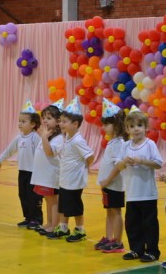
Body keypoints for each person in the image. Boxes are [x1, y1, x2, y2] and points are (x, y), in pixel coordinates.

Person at [116, 105, 163, 262]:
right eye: (132, 126)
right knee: (132, 224)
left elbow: (158, 163)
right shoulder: (125, 146)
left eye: (139, 125)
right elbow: (118, 165)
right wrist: (125, 161)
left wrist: (142, 161)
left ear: (146, 127)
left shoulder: (149, 144)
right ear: (127, 129)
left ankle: (152, 251)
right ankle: (136, 249)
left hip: (147, 193)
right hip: (132, 193)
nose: (136, 129)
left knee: (149, 224)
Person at [0, 100, 43, 228]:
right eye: (19, 121)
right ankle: (28, 217)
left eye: (23, 121)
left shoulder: (35, 138)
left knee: (34, 197)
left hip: (34, 173)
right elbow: (9, 150)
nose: (20, 124)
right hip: (22, 172)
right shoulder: (19, 138)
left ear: (33, 124)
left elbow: (42, 153)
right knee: (23, 195)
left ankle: (36, 219)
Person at [58, 96, 94, 242]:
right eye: (60, 121)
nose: (61, 124)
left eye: (64, 122)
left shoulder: (78, 140)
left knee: (75, 206)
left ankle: (80, 230)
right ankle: (63, 228)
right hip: (66, 179)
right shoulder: (68, 137)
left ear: (75, 124)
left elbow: (90, 156)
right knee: (64, 205)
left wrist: (84, 168)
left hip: (74, 181)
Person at [95, 98, 128, 253]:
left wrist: (107, 180)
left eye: (107, 124)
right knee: (109, 211)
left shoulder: (121, 143)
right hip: (107, 185)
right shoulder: (112, 141)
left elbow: (118, 166)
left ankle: (118, 241)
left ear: (117, 124)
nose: (104, 127)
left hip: (114, 184)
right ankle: (109, 238)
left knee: (115, 211)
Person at [31, 99, 64, 234]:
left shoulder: (59, 138)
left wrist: (44, 137)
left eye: (49, 118)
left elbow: (49, 153)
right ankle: (49, 222)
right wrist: (44, 137)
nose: (44, 121)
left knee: (53, 200)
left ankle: (54, 225)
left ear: (57, 121)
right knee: (47, 199)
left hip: (51, 175)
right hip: (43, 175)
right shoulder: (46, 135)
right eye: (43, 118)